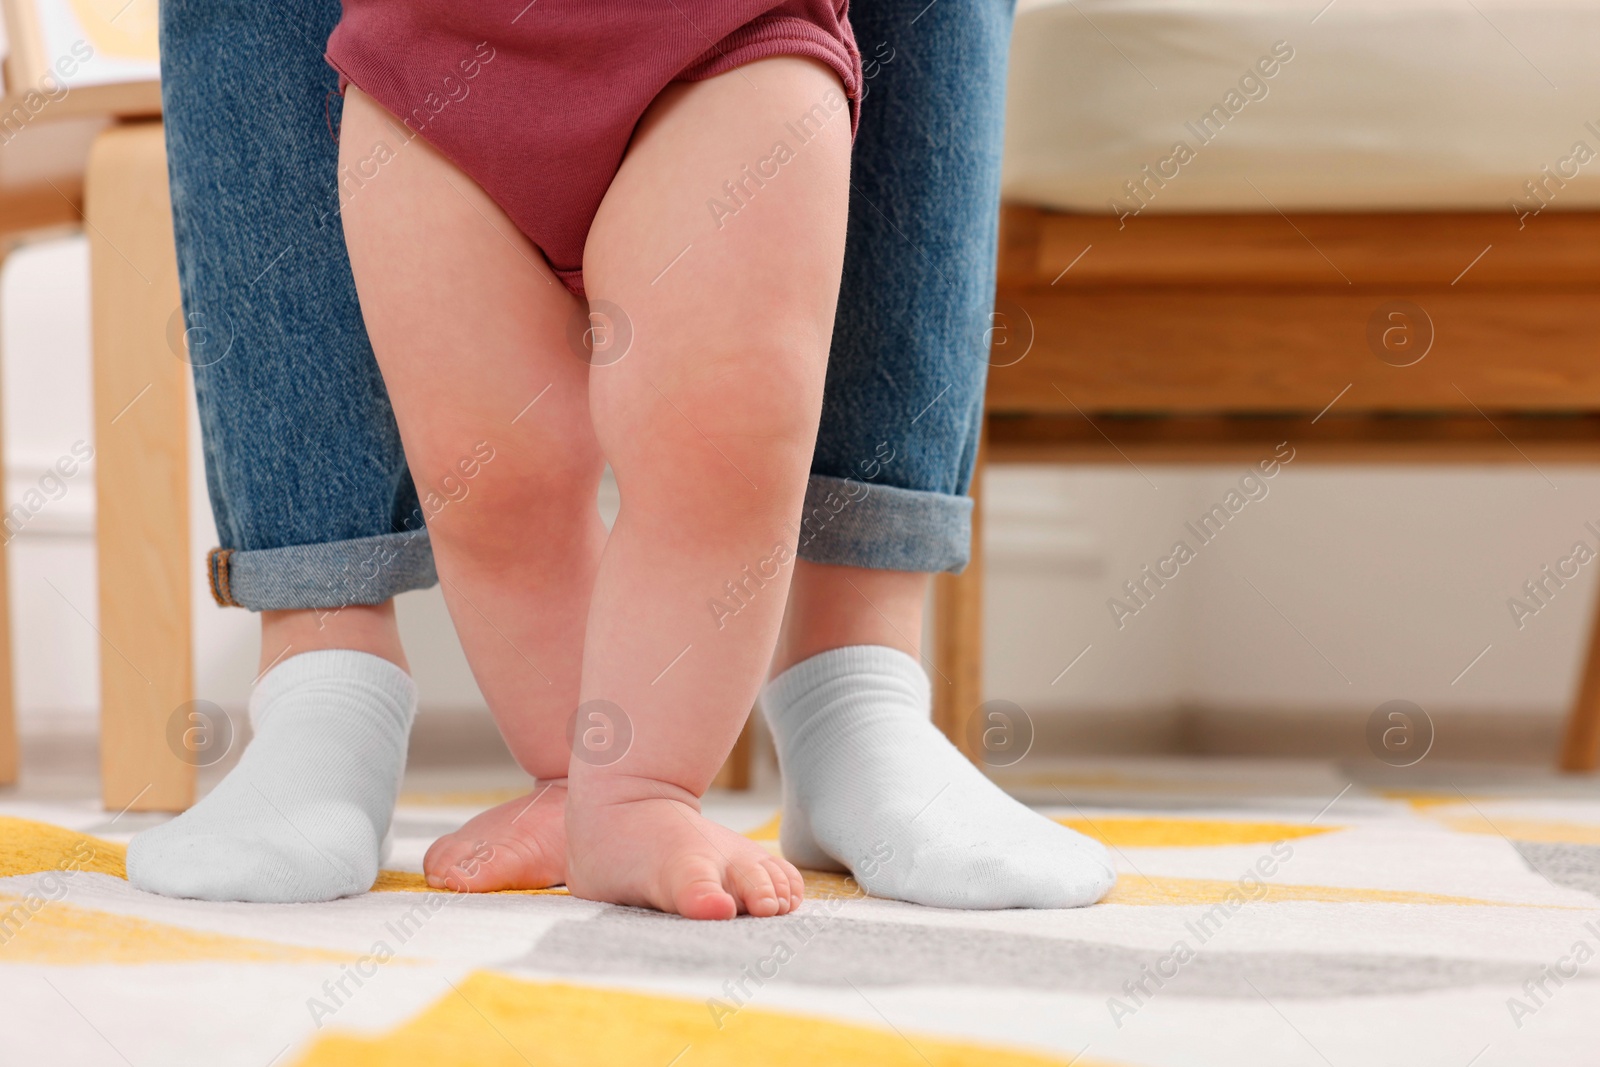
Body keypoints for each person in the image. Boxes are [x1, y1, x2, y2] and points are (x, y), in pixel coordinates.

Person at [127, 0, 1115, 913]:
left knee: (718, 449)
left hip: (723, 43)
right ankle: (564, 771)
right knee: (492, 487)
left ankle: (667, 777)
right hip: (424, 60)